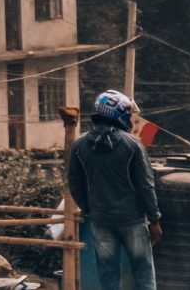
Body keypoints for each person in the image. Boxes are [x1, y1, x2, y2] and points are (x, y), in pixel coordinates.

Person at [66, 89, 161, 290]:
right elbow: (145, 185)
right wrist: (154, 219)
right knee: (143, 273)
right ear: (116, 113)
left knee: (108, 275)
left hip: (101, 220)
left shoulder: (79, 145)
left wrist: (90, 209)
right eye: (126, 112)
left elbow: (75, 184)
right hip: (133, 220)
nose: (129, 117)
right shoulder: (132, 145)